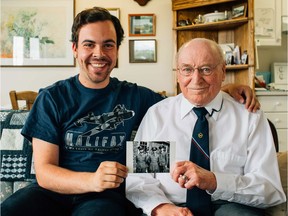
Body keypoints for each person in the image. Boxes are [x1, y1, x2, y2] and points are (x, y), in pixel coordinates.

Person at [1, 7, 259, 216]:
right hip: (51, 193)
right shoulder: (52, 97)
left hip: (106, 198)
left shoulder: (137, 97)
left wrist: (227, 86)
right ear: (75, 49)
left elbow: (185, 98)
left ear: (117, 50)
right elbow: (45, 172)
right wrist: (92, 180)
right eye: (89, 44)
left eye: (108, 45)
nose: (99, 53)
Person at [126, 38, 286, 216]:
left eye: (206, 69)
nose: (196, 79)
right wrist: (161, 207)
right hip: (172, 205)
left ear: (223, 71)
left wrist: (215, 181)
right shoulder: (158, 116)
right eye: (187, 69)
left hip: (230, 205)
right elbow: (139, 180)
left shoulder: (249, 116)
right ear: (178, 74)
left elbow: (270, 190)